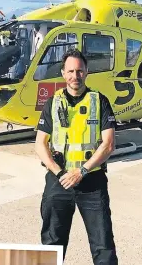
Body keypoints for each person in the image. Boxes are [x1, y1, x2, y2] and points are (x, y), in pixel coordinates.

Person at [35, 49, 118, 264]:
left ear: (87, 72)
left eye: (80, 71)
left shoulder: (100, 102)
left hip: (91, 181)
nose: (75, 76)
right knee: (52, 243)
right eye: (70, 71)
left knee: (103, 245)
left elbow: (108, 144)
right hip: (58, 181)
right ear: (63, 73)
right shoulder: (52, 103)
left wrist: (81, 171)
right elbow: (40, 144)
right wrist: (61, 173)